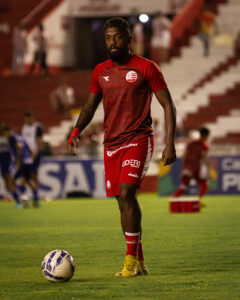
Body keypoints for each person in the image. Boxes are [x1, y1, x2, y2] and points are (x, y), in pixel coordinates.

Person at [68, 17, 176, 278]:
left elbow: (168, 105)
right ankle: (139, 261)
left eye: (117, 37)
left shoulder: (146, 67)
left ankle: (129, 262)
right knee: (122, 202)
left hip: (138, 138)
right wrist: (75, 130)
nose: (112, 42)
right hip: (111, 143)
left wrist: (169, 143)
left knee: (127, 194)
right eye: (108, 38)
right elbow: (90, 106)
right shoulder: (100, 71)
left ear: (129, 39)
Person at [2, 125, 36, 208]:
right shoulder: (19, 137)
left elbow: (19, 148)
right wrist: (31, 158)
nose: (4, 135)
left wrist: (18, 162)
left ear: (7, 132)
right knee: (28, 181)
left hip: (20, 163)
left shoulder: (11, 138)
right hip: (28, 161)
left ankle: (19, 202)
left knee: (10, 182)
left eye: (4, 133)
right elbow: (28, 148)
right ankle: (36, 200)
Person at [173, 127, 210, 200]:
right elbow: (203, 158)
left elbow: (184, 156)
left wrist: (185, 166)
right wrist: (207, 168)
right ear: (207, 135)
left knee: (183, 185)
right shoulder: (204, 145)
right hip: (196, 168)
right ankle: (199, 201)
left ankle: (173, 200)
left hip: (187, 167)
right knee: (204, 184)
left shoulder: (191, 143)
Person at [21, 112, 43, 206]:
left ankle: (36, 198)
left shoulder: (37, 127)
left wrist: (34, 155)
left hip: (35, 155)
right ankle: (27, 197)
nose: (27, 120)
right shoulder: (23, 128)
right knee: (25, 177)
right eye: (25, 118)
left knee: (34, 176)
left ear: (32, 118)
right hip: (26, 156)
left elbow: (39, 143)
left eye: (29, 118)